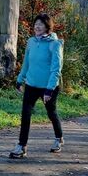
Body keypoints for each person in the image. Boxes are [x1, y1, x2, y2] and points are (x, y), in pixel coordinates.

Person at [9, 13, 64, 158]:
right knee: (25, 114)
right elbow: (26, 62)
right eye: (36, 24)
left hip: (48, 86)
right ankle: (22, 146)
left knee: (51, 113)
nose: (37, 27)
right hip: (31, 84)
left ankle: (58, 138)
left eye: (40, 24)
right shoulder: (31, 42)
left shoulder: (55, 44)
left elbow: (56, 69)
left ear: (47, 26)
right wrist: (20, 79)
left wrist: (49, 89)